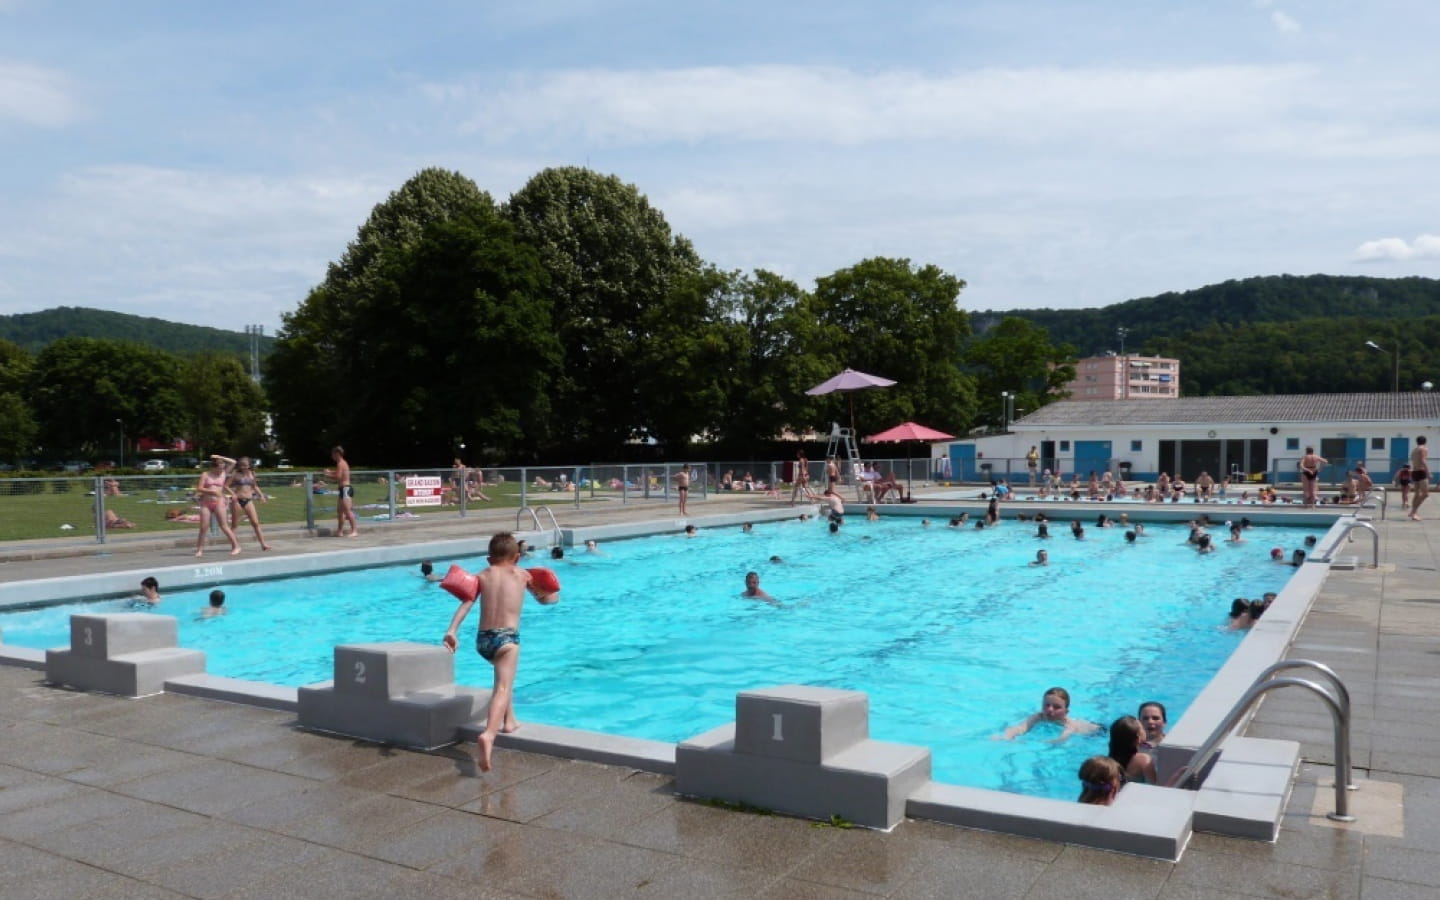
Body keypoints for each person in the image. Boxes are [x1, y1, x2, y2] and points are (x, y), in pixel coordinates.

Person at [441, 532, 560, 772]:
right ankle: (489, 734)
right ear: (517, 557)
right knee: (502, 687)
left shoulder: (481, 576)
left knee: (504, 678)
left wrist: (452, 631)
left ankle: (510, 721)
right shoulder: (522, 574)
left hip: (482, 641)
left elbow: (466, 603)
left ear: (488, 559)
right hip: (507, 638)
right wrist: (550, 588)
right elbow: (548, 600)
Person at [999, 687, 1100, 743]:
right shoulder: (1038, 717)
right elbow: (1020, 728)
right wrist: (1006, 737)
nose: (1050, 709)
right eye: (1047, 705)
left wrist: (1037, 743)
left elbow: (1061, 740)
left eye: (1056, 707)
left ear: (1066, 712)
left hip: (1095, 732)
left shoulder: (1069, 725)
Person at [194, 455, 241, 557]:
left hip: (219, 502)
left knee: (224, 525)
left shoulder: (223, 473)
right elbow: (199, 488)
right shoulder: (205, 475)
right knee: (203, 527)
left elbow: (233, 462)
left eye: (222, 468)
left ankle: (236, 546)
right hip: (206, 502)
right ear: (213, 467)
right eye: (219, 468)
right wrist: (211, 491)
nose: (221, 471)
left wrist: (220, 457)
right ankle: (199, 549)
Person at [227, 457, 272, 551]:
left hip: (248, 500)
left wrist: (261, 495)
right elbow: (226, 485)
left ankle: (263, 544)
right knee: (235, 525)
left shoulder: (252, 474)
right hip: (237, 500)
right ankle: (234, 546)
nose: (243, 467)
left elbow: (254, 486)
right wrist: (233, 494)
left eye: (245, 465)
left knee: (255, 523)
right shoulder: (236, 474)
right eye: (241, 465)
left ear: (249, 465)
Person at [1108, 716, 1157, 785]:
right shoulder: (1143, 760)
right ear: (1138, 738)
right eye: (1142, 728)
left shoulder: (1109, 762)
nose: (1145, 729)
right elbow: (1155, 786)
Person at [326, 446, 358, 538]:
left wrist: (328, 475)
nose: (332, 456)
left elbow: (338, 477)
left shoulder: (341, 463)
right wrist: (329, 472)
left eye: (333, 454)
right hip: (342, 489)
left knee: (347, 511)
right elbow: (338, 473)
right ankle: (339, 531)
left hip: (346, 489)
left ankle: (355, 531)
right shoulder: (340, 463)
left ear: (337, 454)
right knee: (340, 511)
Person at [1410, 435, 1430, 521]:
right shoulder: (1423, 449)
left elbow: (1414, 460)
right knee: (1425, 494)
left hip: (1414, 472)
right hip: (1421, 472)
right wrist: (1428, 472)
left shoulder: (1414, 450)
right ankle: (1414, 512)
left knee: (1417, 494)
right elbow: (1423, 460)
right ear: (1425, 442)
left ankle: (1413, 512)